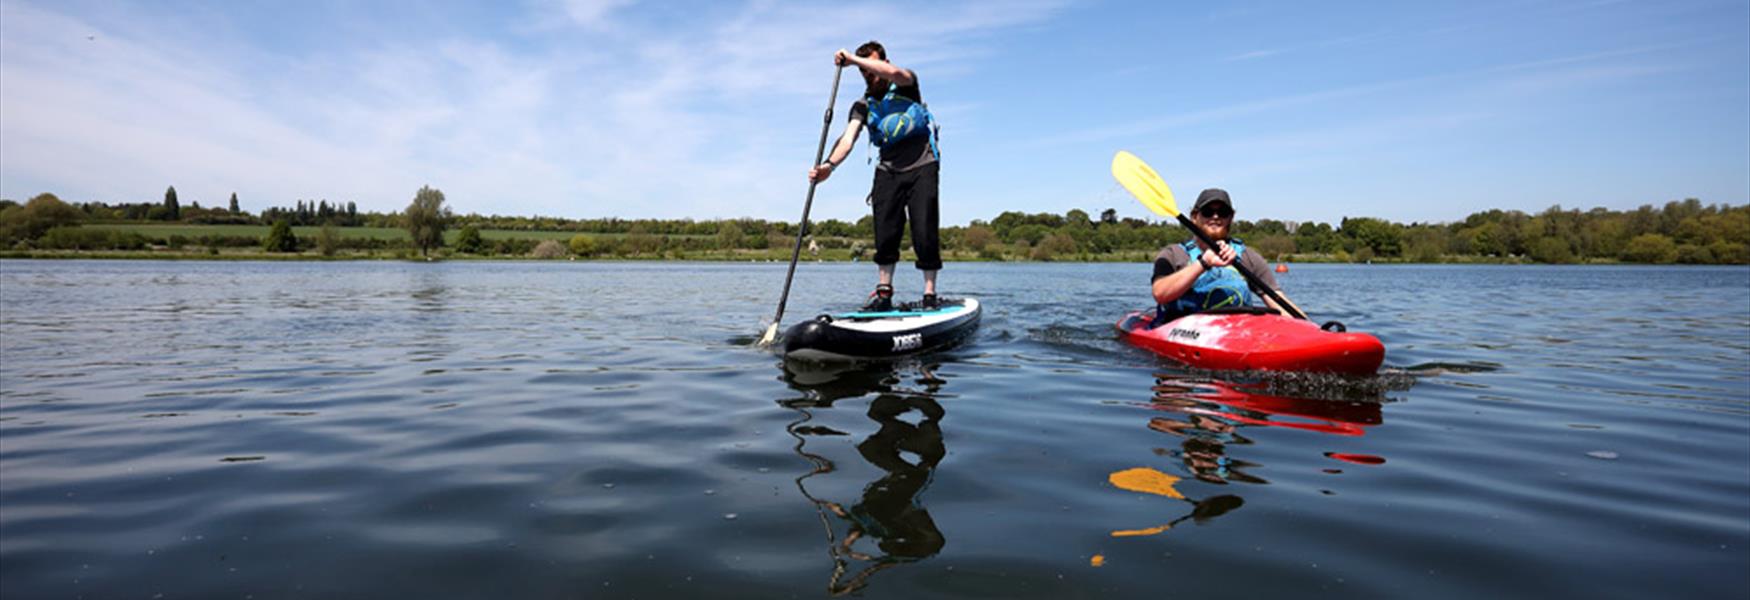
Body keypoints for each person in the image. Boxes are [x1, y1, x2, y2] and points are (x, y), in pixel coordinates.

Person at [808, 41, 942, 311]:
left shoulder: (907, 83)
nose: (871, 75)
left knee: (924, 230)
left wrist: (855, 61)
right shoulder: (862, 105)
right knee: (885, 232)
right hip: (888, 170)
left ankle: (929, 294)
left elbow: (892, 73)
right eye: (865, 72)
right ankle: (884, 294)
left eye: (873, 67)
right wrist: (828, 167)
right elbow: (847, 139)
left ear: (884, 62)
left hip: (922, 164)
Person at [1150, 188, 1304, 323]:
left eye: (1222, 213)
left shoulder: (1248, 257)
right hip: (1186, 331)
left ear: (1230, 218)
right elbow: (1159, 293)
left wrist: (1313, 330)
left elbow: (1277, 298)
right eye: (1208, 212)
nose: (1215, 217)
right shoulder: (1173, 254)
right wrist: (1203, 263)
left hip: (1236, 331)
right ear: (1194, 217)